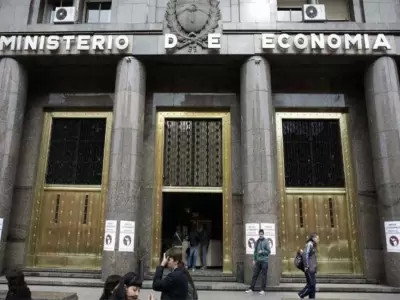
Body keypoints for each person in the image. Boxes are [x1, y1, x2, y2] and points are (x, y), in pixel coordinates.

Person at [245, 229, 271, 295]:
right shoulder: (257, 241)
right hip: (258, 261)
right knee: (255, 275)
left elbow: (268, 251)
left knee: (264, 276)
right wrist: (254, 259)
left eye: (262, 234)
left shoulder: (266, 241)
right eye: (260, 234)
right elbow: (255, 252)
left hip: (264, 261)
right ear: (258, 234)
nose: (260, 235)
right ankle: (251, 289)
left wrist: (262, 251)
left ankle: (263, 290)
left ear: (263, 234)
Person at [298, 232, 319, 299]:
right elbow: (305, 255)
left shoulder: (312, 245)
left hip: (312, 268)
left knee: (313, 285)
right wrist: (306, 266)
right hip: (309, 268)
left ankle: (312, 298)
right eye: (317, 238)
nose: (318, 239)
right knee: (311, 285)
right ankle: (301, 294)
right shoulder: (309, 244)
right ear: (313, 238)